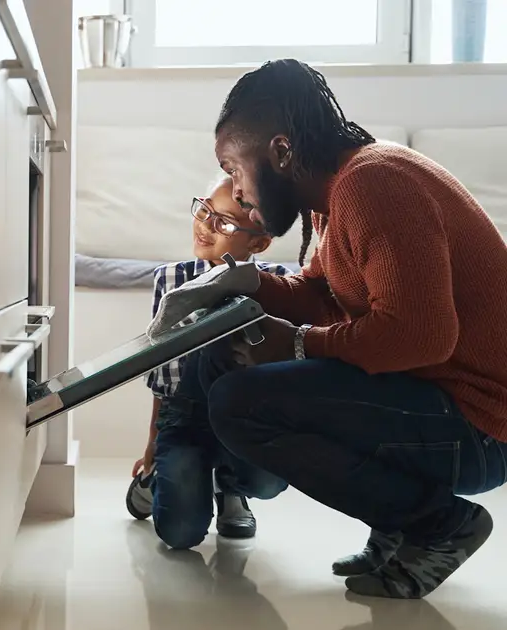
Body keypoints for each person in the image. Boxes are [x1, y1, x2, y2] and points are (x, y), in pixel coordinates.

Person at [204, 58, 507, 599]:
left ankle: (436, 523)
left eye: (234, 168)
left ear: (279, 152)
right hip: (444, 403)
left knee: (239, 403)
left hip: (482, 427)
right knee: (224, 363)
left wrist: (296, 345)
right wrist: (245, 281)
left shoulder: (374, 184)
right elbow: (321, 296)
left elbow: (420, 337)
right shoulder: (335, 192)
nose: (237, 190)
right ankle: (401, 524)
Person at [126, 176, 290, 549]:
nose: (205, 227)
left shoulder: (280, 283)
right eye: (204, 211)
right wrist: (152, 444)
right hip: (184, 415)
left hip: (245, 416)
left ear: (259, 242)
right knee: (180, 534)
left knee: (269, 480)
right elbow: (161, 367)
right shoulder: (171, 278)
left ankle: (230, 486)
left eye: (226, 223)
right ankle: (162, 480)